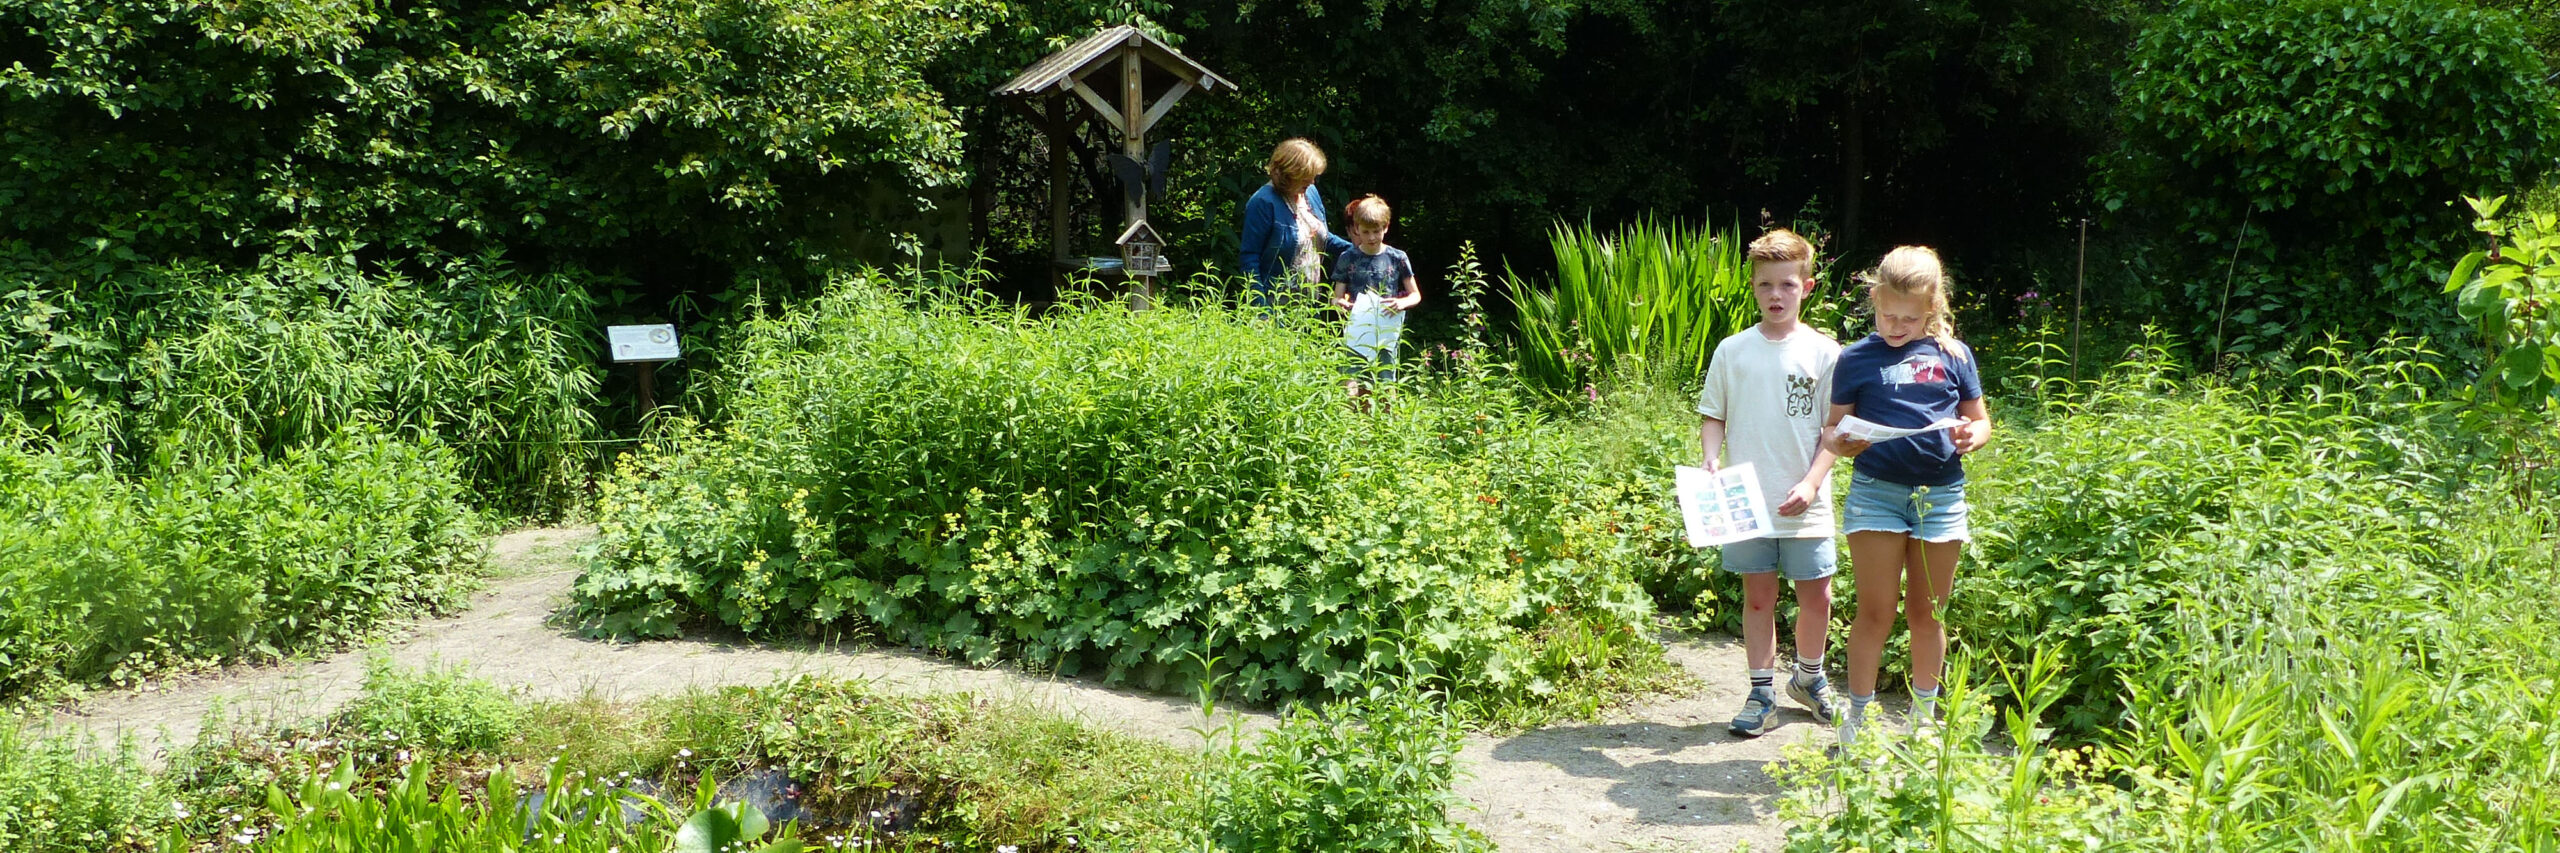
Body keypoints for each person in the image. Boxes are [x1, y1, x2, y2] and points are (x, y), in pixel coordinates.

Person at [1822, 245, 1994, 746]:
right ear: (1875, 299)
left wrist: (1972, 436)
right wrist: (1843, 442)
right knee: (1875, 612)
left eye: (1909, 319)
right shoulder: (1855, 358)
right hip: (1876, 493)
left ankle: (1923, 720)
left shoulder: (1954, 356)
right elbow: (1832, 431)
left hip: (1941, 497)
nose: (1896, 327)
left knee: (1928, 613)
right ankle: (1858, 720)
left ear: (1932, 308)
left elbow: (1981, 421)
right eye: (1887, 315)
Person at [1696, 228, 1844, 738]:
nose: (1775, 295)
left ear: (1807, 286)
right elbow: (1714, 415)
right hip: (1745, 503)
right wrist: (1711, 459)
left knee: (1817, 596)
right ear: (1753, 287)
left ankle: (1809, 679)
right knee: (1757, 597)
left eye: (1787, 284)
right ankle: (1761, 693)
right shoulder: (1732, 350)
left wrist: (1811, 483)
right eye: (1765, 285)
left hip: (1807, 502)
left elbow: (1834, 431)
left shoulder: (1826, 353)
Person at [1237, 138, 1354, 308]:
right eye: (1306, 176)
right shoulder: (1262, 202)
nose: (1312, 181)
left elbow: (1320, 237)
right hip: (1274, 306)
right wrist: (1261, 310)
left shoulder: (1310, 192)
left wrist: (1358, 249)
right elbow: (1249, 259)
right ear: (1288, 174)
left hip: (1309, 306)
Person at [1329, 194, 1421, 400]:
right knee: (1351, 384)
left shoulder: (1397, 257)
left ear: (1385, 227)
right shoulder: (1348, 257)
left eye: (1376, 231)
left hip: (1386, 331)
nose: (1371, 237)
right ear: (1356, 229)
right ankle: (1351, 420)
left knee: (1386, 386)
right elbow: (1336, 298)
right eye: (1365, 232)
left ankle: (1386, 420)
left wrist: (1402, 302)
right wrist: (1341, 304)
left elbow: (1415, 295)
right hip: (1357, 330)